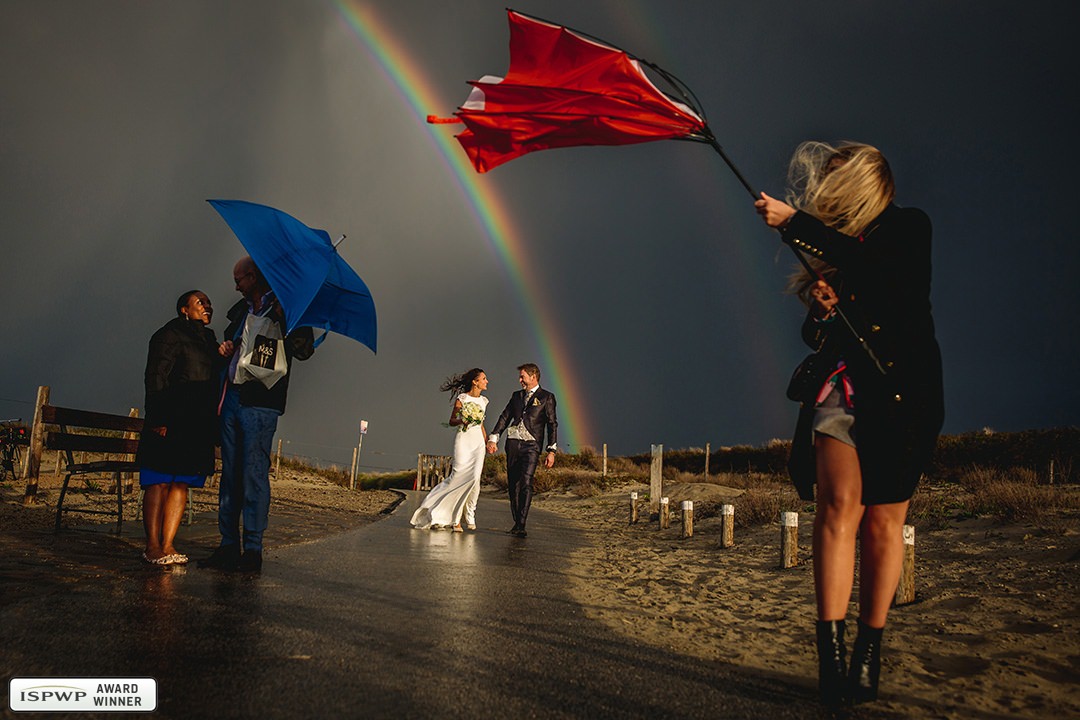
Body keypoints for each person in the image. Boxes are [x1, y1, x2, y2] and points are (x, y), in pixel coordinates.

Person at [755, 141, 944, 705]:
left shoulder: (909, 228)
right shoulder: (835, 255)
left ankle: (868, 651)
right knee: (837, 509)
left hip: (905, 398)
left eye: (835, 177)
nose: (823, 188)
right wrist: (821, 308)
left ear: (865, 180)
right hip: (842, 390)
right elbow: (819, 339)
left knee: (884, 525)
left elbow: (884, 273)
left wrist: (795, 225)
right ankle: (831, 658)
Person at [199, 256, 314, 573]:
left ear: (254, 277)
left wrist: (286, 320)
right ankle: (227, 546)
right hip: (232, 397)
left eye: (240, 279)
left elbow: (304, 350)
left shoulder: (289, 307)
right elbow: (232, 344)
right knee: (230, 475)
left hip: (261, 402)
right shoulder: (239, 312)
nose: (235, 285)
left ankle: (252, 550)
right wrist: (224, 350)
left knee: (253, 473)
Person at [135, 290, 223, 566]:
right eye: (200, 302)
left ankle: (169, 544)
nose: (207, 306)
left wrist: (224, 354)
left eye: (208, 303)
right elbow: (156, 376)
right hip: (169, 419)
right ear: (184, 309)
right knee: (158, 481)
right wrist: (158, 418)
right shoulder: (168, 335)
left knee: (181, 483)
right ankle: (152, 546)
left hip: (196, 425)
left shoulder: (209, 340)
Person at [410, 368, 490, 532]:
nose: (486, 381)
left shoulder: (484, 401)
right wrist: (463, 421)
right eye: (483, 378)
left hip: (478, 444)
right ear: (475, 382)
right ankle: (452, 518)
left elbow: (481, 425)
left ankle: (469, 514)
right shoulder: (462, 398)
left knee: (474, 478)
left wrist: (487, 441)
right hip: (463, 441)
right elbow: (452, 420)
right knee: (457, 477)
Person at [486, 363, 558, 538]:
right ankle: (516, 520)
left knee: (526, 481)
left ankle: (521, 523)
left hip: (532, 446)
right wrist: (494, 437)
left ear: (533, 377)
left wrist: (551, 450)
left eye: (522, 377)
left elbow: (552, 424)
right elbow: (505, 416)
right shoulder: (516, 396)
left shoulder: (547, 397)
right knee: (513, 484)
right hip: (513, 443)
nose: (520, 380)